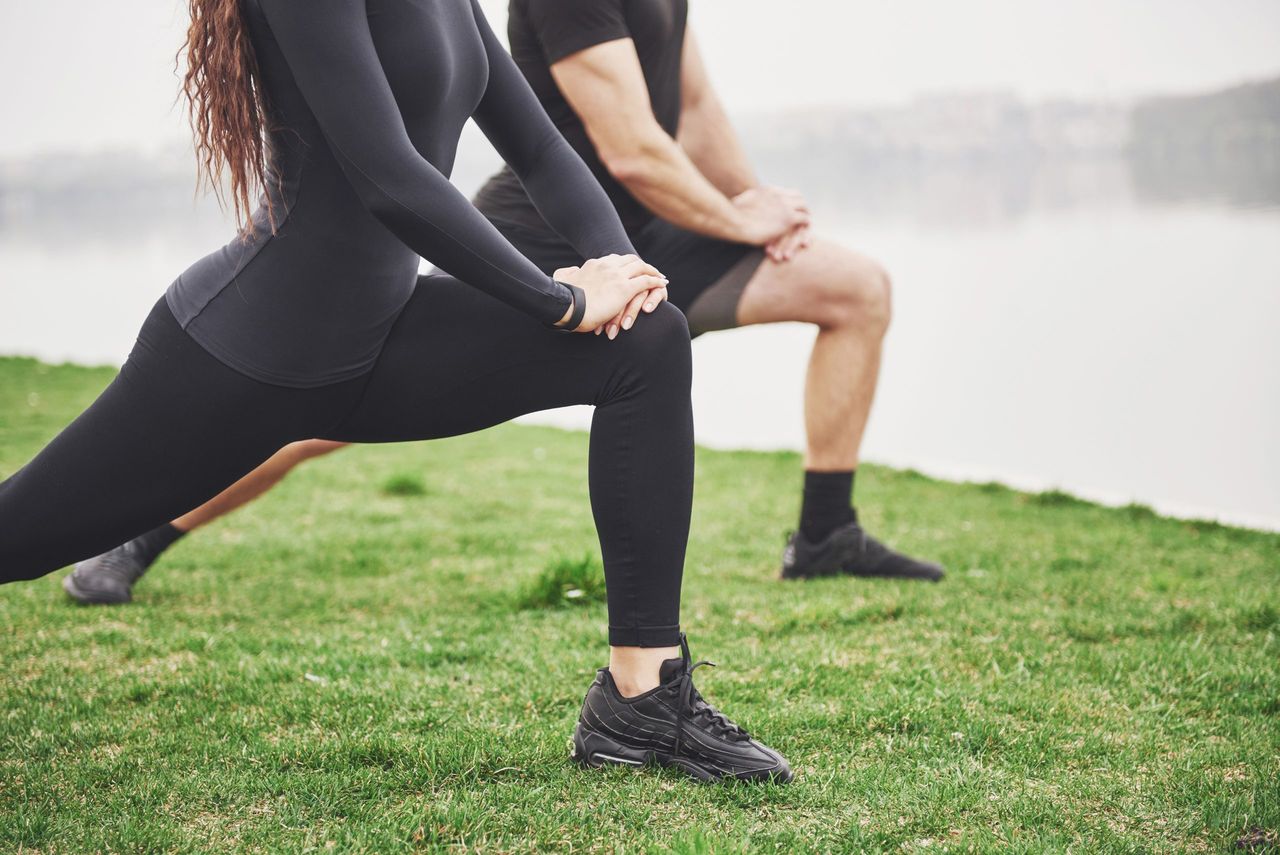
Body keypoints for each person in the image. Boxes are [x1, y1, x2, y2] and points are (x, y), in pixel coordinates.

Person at [4, 0, 791, 783]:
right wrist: (563, 301)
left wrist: (627, 274)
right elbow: (388, 175)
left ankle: (641, 700)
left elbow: (543, 149)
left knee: (649, 343)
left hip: (378, 344)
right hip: (243, 352)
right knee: (22, 537)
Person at [66, 0, 945, 606]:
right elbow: (629, 146)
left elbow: (698, 104)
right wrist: (726, 217)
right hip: (541, 238)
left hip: (662, 229)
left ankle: (825, 535)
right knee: (319, 416)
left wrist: (755, 213)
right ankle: (143, 535)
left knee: (855, 288)